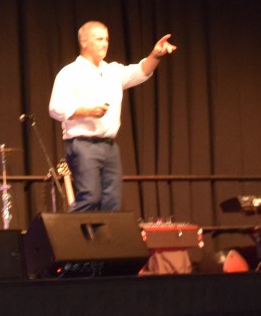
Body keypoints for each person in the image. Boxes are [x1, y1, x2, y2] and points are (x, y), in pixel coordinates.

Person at [48, 21, 176, 212]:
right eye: (99, 39)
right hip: (83, 144)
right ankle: (70, 238)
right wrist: (87, 111)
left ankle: (102, 241)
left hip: (109, 146)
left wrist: (155, 55)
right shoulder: (70, 73)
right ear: (84, 42)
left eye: (106, 39)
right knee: (90, 197)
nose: (104, 43)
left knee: (112, 202)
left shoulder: (111, 71)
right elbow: (56, 108)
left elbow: (141, 71)